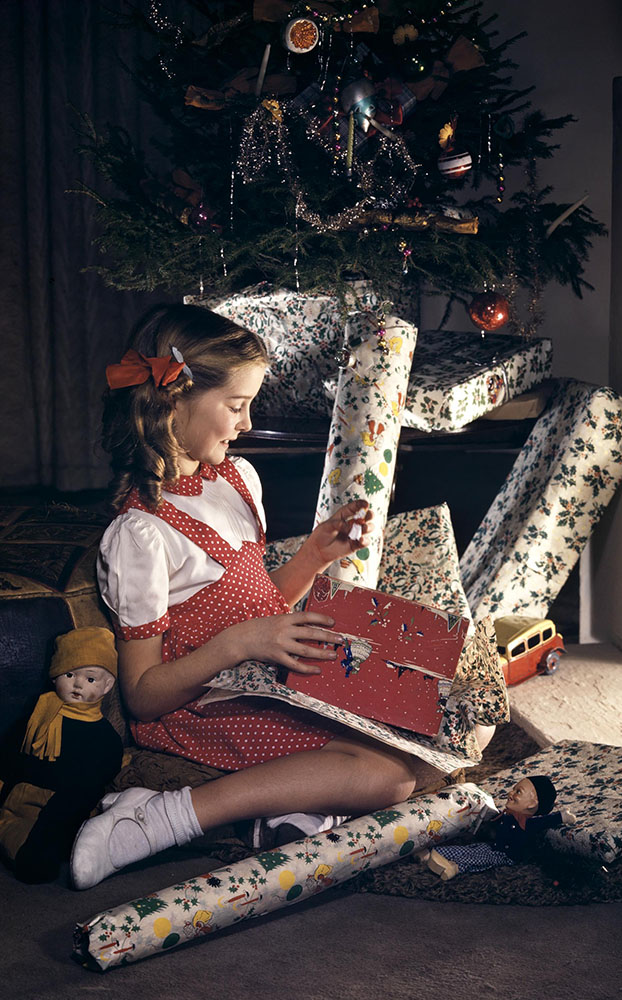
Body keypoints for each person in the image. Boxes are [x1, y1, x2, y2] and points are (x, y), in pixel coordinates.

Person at [70, 303, 417, 890]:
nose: (247, 423)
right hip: (202, 706)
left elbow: (259, 609)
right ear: (173, 401)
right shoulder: (141, 534)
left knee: (428, 723)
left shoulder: (237, 479)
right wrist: (238, 644)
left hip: (261, 679)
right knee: (392, 775)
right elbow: (143, 697)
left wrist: (314, 556)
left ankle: (292, 809)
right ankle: (160, 817)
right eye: (236, 406)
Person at [0, 627, 122, 883]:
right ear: (55, 677)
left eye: (90, 679)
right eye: (69, 674)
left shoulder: (104, 735)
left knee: (76, 803)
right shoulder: (39, 714)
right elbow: (13, 752)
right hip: (24, 793)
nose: (78, 684)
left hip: (67, 804)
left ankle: (38, 850)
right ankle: (26, 844)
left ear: (107, 685)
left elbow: (105, 768)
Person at [419, 774, 577, 880]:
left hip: (505, 855)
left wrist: (563, 817)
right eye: (513, 789)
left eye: (518, 792)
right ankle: (434, 855)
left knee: (480, 858)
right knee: (471, 849)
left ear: (532, 804)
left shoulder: (527, 823)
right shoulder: (506, 816)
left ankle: (455, 868)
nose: (511, 793)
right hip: (493, 846)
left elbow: (546, 820)